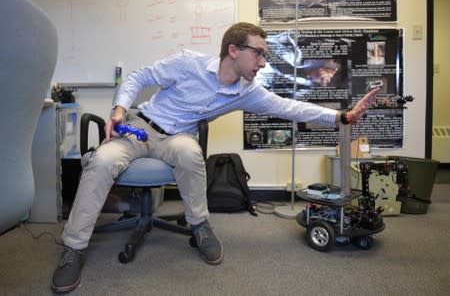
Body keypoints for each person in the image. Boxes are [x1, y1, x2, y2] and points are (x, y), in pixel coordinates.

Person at [51, 22, 380, 293]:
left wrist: (342, 117)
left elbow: (289, 107)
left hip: (178, 137)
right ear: (233, 51)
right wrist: (120, 109)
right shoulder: (187, 63)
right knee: (103, 160)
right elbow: (140, 77)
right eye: (259, 54)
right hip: (141, 127)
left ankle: (200, 227)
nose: (263, 62)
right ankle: (74, 248)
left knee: (190, 152)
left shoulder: (247, 91)